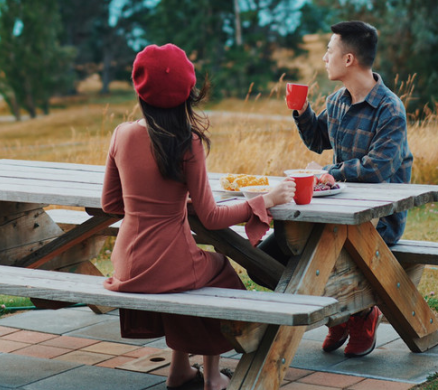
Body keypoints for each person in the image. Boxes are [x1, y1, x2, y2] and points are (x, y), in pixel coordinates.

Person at [102, 43, 295, 390]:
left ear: (140, 92)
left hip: (126, 266)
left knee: (188, 275)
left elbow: (111, 202)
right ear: (187, 96)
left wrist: (156, 204)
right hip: (167, 265)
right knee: (218, 267)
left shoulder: (122, 133)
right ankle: (212, 378)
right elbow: (212, 216)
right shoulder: (187, 142)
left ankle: (179, 372)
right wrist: (264, 200)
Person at [276, 20, 412, 357]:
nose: (325, 58)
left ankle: (361, 312)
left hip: (378, 220)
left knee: (316, 251)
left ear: (349, 59)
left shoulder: (389, 109)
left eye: (329, 51)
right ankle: (340, 312)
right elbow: (318, 140)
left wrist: (327, 173)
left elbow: (377, 169)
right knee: (275, 249)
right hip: (337, 213)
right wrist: (302, 111)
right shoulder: (337, 101)